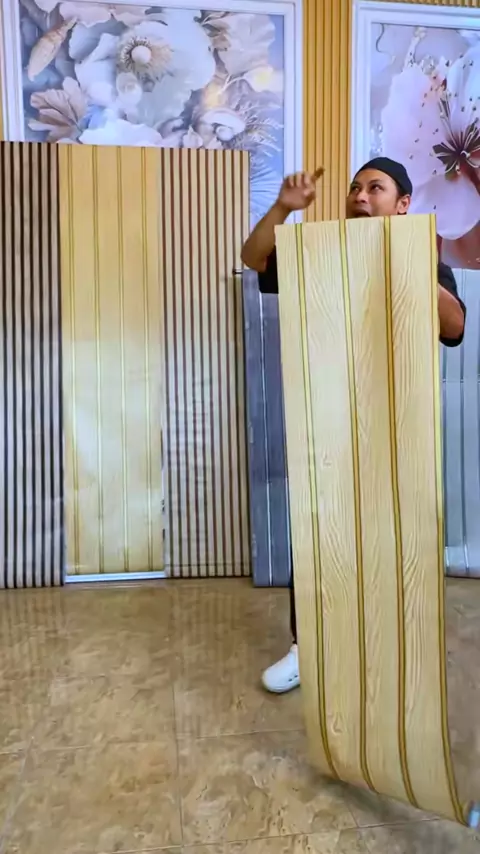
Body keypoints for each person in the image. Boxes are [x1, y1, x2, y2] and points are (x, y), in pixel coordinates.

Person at [241, 157, 466, 695]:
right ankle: (307, 649)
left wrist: (408, 260)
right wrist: (283, 208)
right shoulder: (320, 251)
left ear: (402, 204)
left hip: (397, 425)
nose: (360, 196)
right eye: (354, 188)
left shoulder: (425, 257)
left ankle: (390, 651)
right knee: (319, 535)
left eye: (375, 188)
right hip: (328, 419)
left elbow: (454, 327)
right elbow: (254, 258)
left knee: (394, 538)